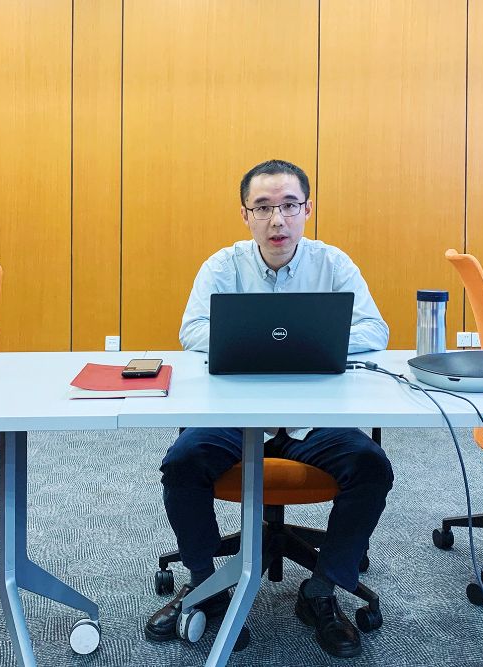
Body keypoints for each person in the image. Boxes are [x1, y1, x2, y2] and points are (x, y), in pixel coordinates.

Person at [144, 159, 393, 658]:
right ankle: (206, 584)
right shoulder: (223, 266)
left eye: (289, 206)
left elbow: (375, 330)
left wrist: (305, 343)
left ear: (307, 210)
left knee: (371, 468)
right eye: (262, 208)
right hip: (235, 416)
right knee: (182, 463)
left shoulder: (333, 265)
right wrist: (265, 344)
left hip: (313, 418)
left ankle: (321, 589)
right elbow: (191, 331)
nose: (277, 219)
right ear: (245, 215)